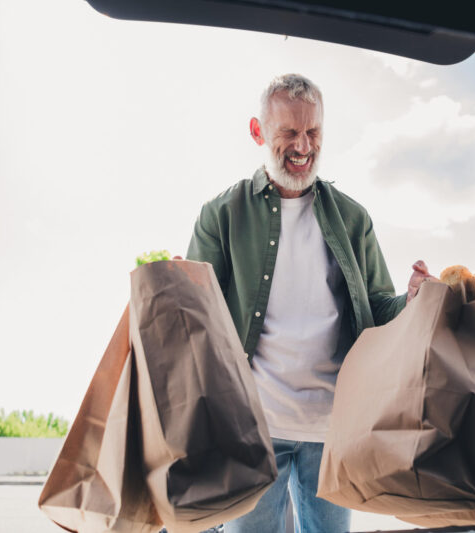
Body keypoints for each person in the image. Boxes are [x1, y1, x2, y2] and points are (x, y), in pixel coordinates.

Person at [186, 73, 434, 533]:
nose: (303, 146)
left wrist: (412, 299)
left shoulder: (353, 219)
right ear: (259, 132)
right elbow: (196, 326)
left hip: (331, 430)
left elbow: (378, 310)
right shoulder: (221, 215)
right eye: (289, 132)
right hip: (253, 431)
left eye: (313, 132)